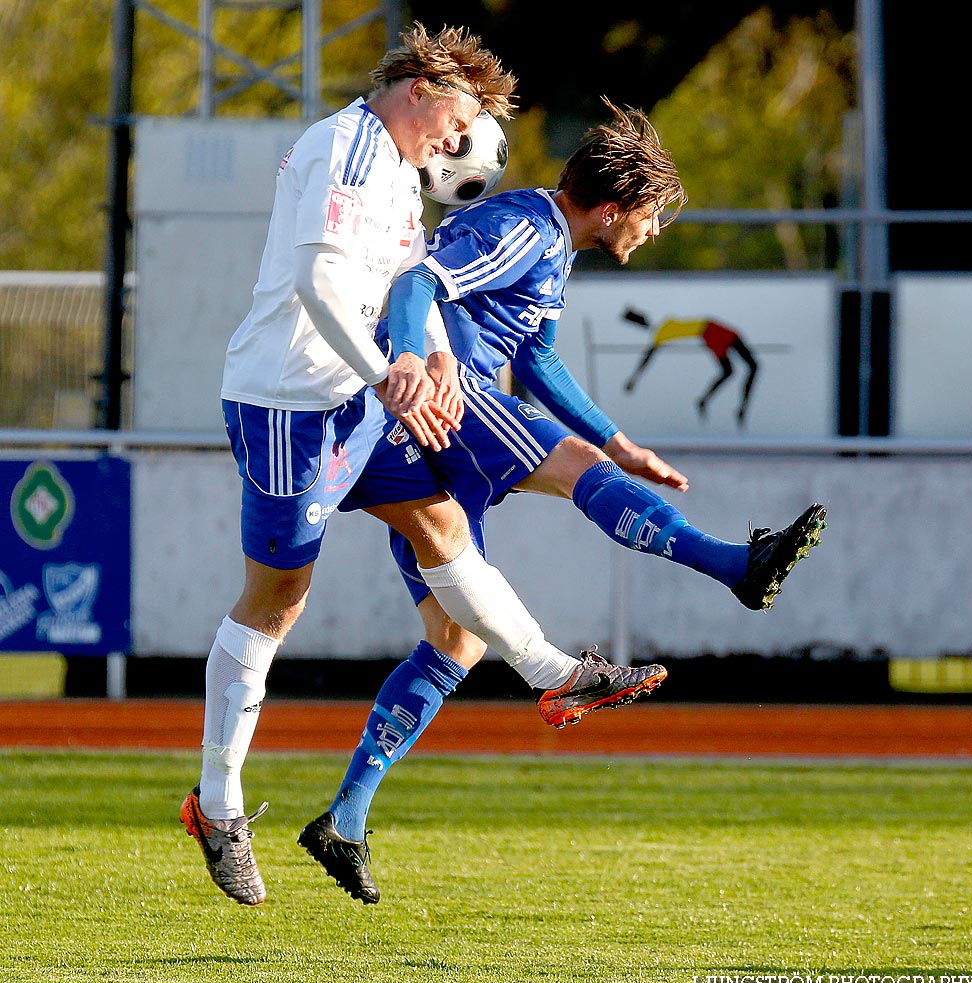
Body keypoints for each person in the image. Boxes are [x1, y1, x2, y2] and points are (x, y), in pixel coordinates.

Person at [179, 27, 666, 910]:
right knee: (276, 601)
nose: (460, 141)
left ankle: (557, 676)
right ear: (421, 87)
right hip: (290, 404)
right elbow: (320, 284)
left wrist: (432, 357)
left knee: (442, 523)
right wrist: (389, 372)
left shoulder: (405, 179)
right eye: (462, 117)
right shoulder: (344, 147)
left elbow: (410, 285)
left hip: (368, 399)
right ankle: (217, 808)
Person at [302, 99, 827, 904]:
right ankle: (735, 566)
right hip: (449, 402)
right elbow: (419, 281)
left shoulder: (553, 249)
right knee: (570, 465)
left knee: (456, 642)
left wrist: (620, 442)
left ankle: (344, 818)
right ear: (614, 208)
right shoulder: (527, 226)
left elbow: (539, 360)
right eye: (650, 218)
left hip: (441, 428)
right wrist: (414, 366)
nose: (652, 233)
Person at [622, 310, 759, 425]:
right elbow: (647, 357)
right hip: (710, 330)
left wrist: (634, 378)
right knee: (745, 367)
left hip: (709, 331)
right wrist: (634, 378)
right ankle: (735, 406)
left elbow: (647, 357)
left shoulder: (664, 327)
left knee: (733, 370)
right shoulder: (662, 331)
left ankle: (708, 401)